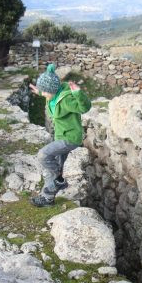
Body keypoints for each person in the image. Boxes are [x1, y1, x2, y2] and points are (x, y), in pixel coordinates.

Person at [29, 63, 91, 207]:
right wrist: (39, 91)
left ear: (52, 90)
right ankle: (47, 199)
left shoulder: (66, 100)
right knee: (53, 167)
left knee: (43, 155)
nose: (43, 95)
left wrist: (78, 93)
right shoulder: (51, 95)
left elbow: (85, 107)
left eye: (45, 92)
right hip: (60, 136)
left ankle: (59, 179)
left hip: (70, 138)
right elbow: (46, 93)